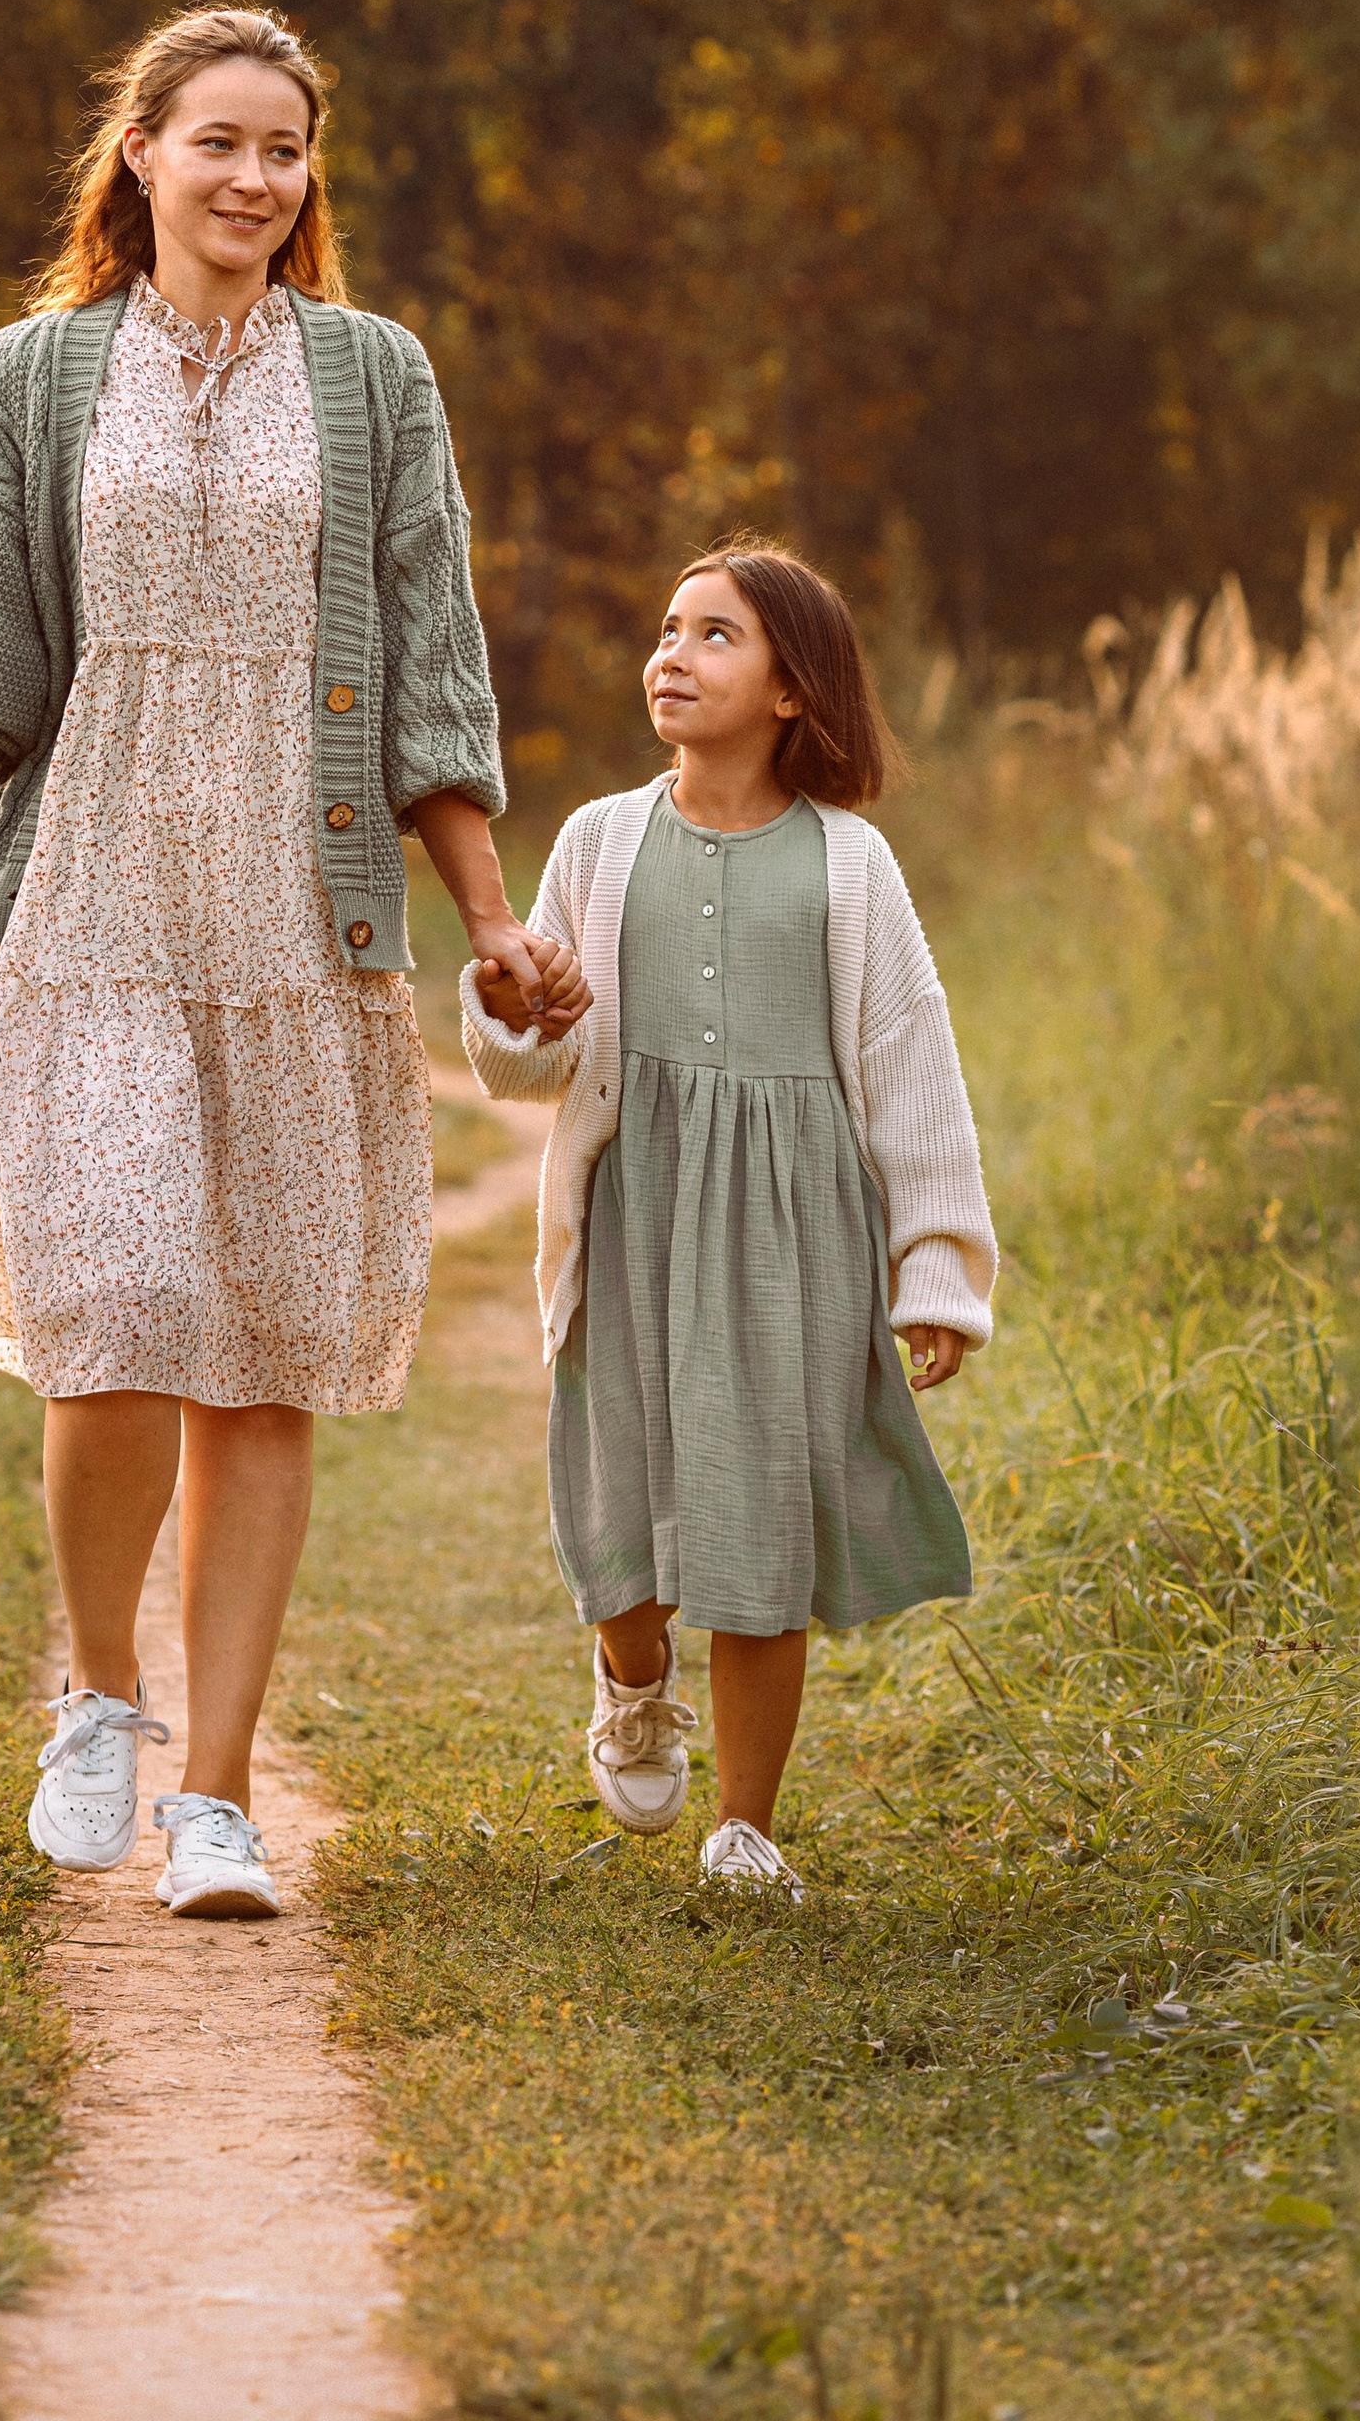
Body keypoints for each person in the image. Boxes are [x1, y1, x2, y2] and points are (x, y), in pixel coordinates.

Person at [0, 5, 551, 1919]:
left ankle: (218, 1797)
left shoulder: (377, 382)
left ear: (310, 182)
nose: (253, 179)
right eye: (217, 141)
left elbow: (425, 672)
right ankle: (103, 1691)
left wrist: (484, 918)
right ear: (137, 155)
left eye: (285, 151)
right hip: (90, 912)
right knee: (121, 1313)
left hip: (300, 932)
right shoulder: (39, 378)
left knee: (262, 1368)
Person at [461, 537, 995, 1900]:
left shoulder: (853, 866)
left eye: (715, 636)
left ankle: (745, 1827)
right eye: (668, 630)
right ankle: (632, 1675)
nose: (672, 655)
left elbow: (911, 1068)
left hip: (793, 1234)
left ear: (792, 691)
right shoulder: (600, 839)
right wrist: (518, 1006)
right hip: (635, 1211)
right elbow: (525, 1064)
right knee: (621, 1496)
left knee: (764, 1519)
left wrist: (934, 1268)